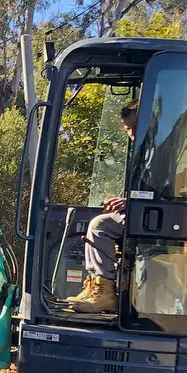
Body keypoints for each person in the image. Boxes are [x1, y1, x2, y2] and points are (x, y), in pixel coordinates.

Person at [64, 102, 138, 314]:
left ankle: (105, 290)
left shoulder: (162, 153)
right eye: (127, 129)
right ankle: (95, 284)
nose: (131, 133)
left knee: (100, 226)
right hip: (141, 211)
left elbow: (163, 193)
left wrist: (130, 204)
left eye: (135, 127)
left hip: (158, 218)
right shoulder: (143, 154)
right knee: (98, 223)